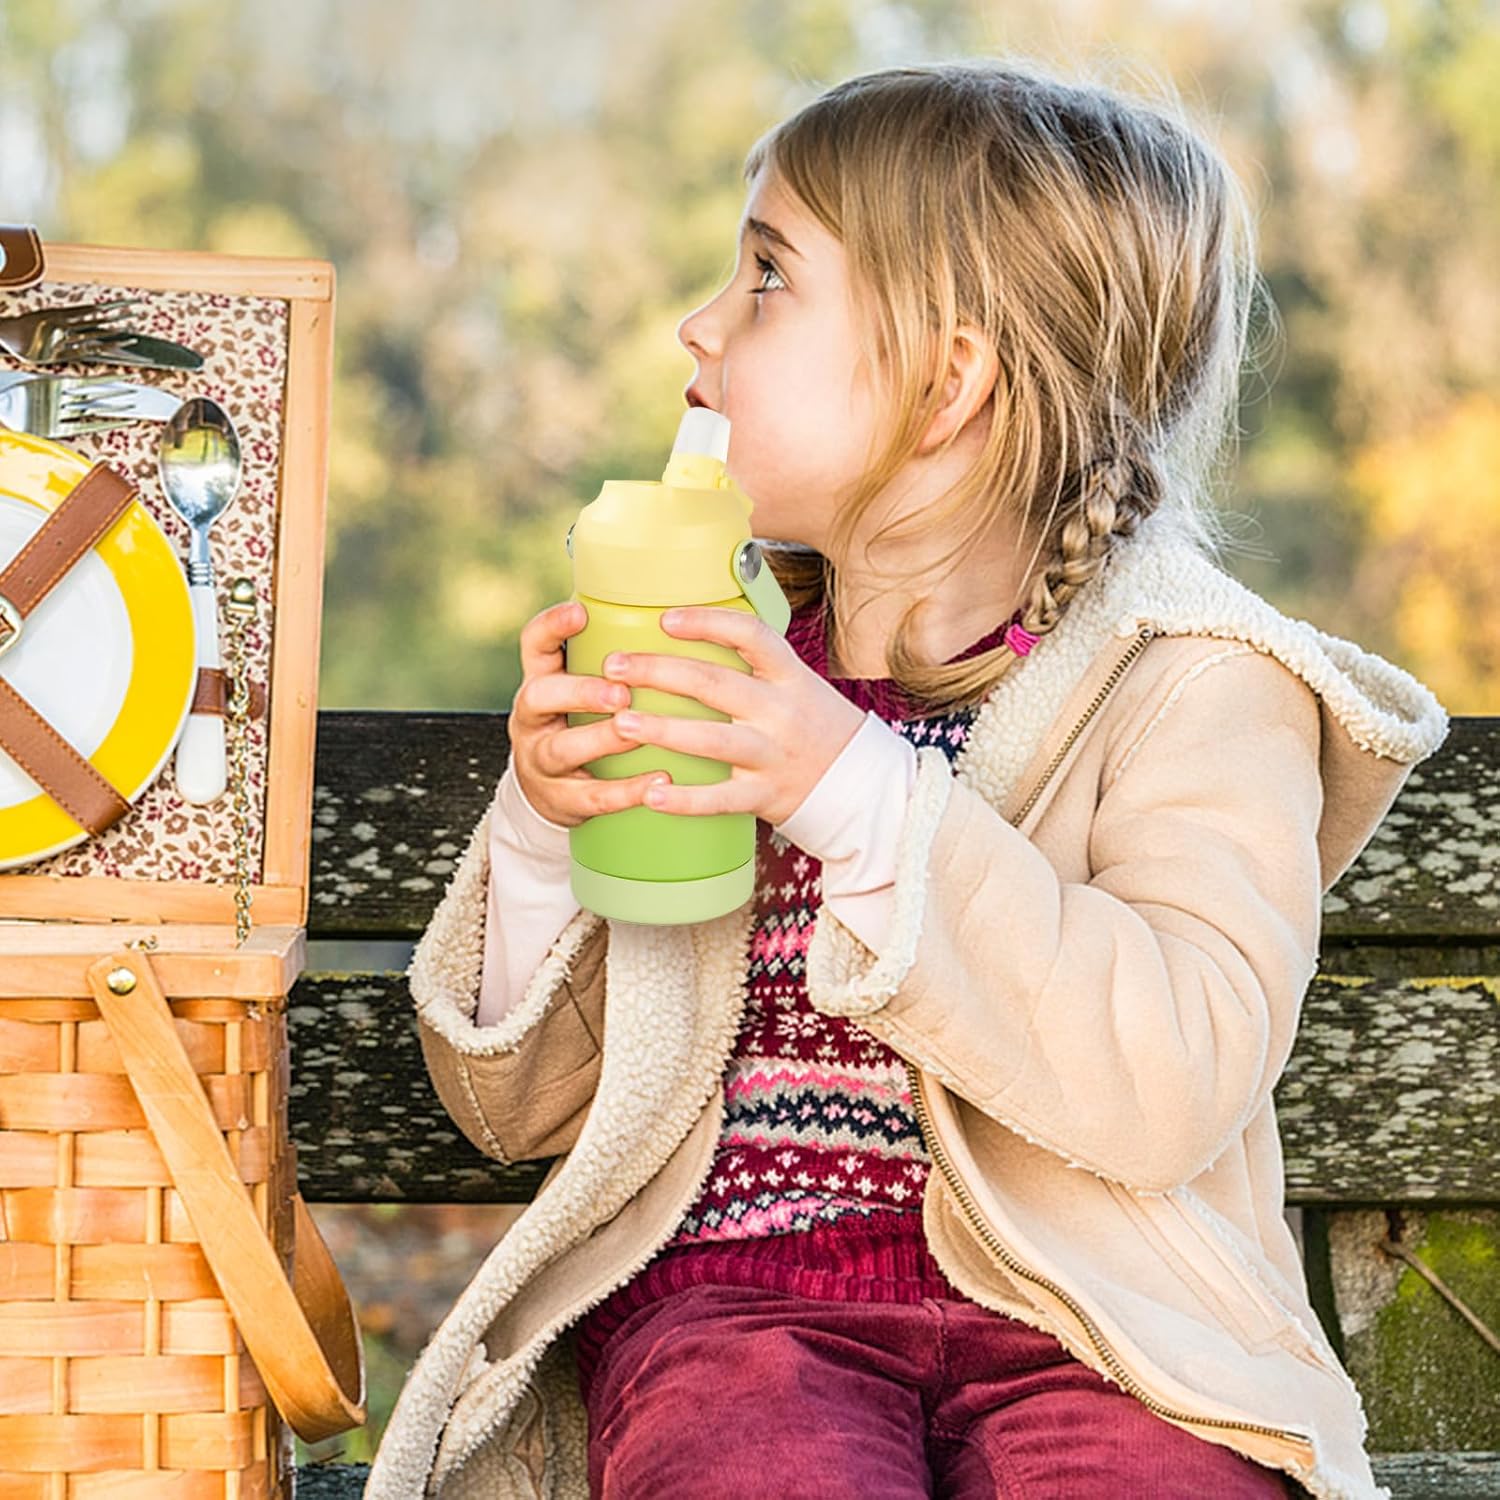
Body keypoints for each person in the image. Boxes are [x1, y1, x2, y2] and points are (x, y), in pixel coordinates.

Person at [367, 58, 1448, 1500]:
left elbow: (1172, 1080)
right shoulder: (725, 672)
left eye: (767, 277)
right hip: (738, 1314)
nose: (700, 325)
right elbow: (520, 1111)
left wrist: (849, 783)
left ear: (948, 383)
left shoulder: (1197, 684)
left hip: (1108, 1337)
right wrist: (546, 834)